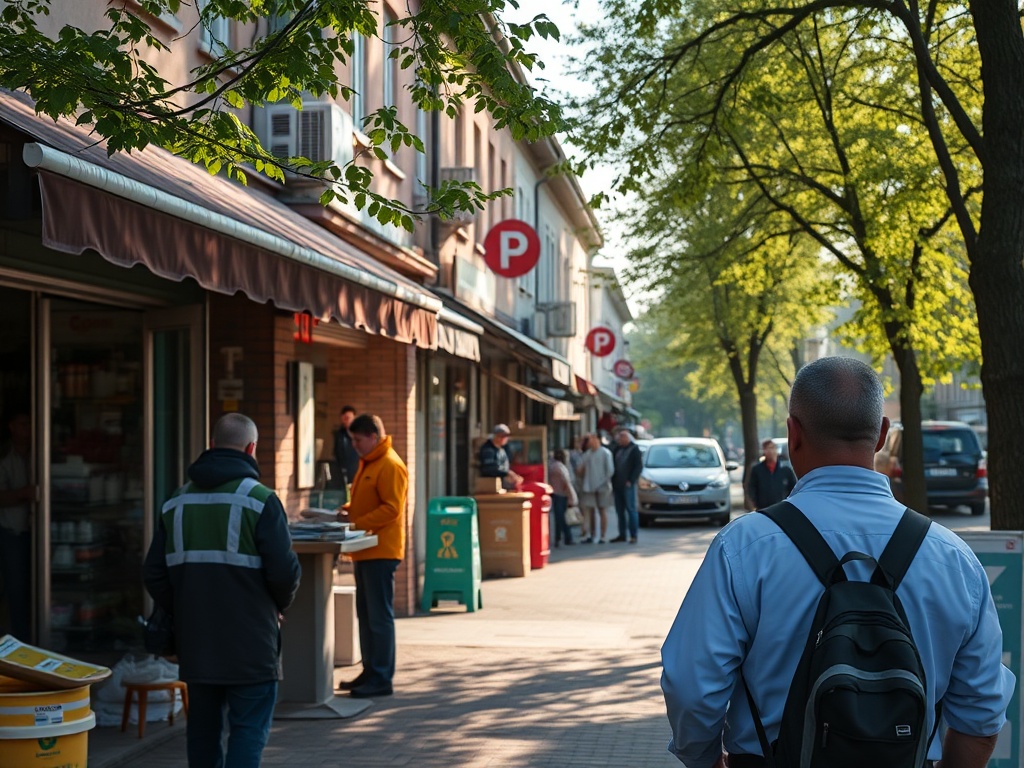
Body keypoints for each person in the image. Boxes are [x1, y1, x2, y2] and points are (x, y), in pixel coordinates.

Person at [661, 357, 1014, 768]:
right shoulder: (953, 558)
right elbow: (982, 714)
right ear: (882, 433)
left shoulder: (743, 547)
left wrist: (704, 761)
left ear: (793, 434)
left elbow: (691, 687)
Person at [144, 412, 301, 768]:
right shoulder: (261, 500)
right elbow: (285, 571)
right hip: (251, 642)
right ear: (252, 448)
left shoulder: (176, 502)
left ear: (212, 446)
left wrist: (184, 607)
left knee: (202, 731)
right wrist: (276, 606)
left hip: (197, 642)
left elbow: (154, 574)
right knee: (247, 731)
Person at [337, 414, 409, 698]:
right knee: (366, 615)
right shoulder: (371, 463)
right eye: (352, 439)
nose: (353, 445)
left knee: (379, 616)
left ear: (373, 437)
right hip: (366, 549)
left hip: (381, 550)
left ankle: (381, 677)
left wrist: (356, 523)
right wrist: (347, 510)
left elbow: (392, 508)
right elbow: (367, 502)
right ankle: (370, 671)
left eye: (357, 440)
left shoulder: (390, 464)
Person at [0, 409, 33, 639]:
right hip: (12, 531)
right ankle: (22, 639)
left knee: (35, 587)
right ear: (12, 426)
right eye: (23, 424)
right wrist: (24, 494)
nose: (28, 429)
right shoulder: (3, 456)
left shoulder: (41, 451)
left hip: (37, 530)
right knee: (16, 589)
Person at [577, 434, 614, 544]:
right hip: (589, 486)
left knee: (602, 510)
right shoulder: (587, 454)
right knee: (590, 510)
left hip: (603, 486)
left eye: (591, 439)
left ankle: (602, 535)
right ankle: (591, 534)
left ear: (597, 440)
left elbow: (610, 471)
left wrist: (603, 482)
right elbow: (580, 469)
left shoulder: (605, 453)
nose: (589, 441)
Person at [610, 427, 643, 544]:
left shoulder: (634, 450)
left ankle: (633, 535)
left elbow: (638, 466)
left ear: (628, 438)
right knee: (620, 511)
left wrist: (631, 480)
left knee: (631, 509)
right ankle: (622, 534)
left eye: (622, 437)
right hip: (617, 484)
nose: (620, 440)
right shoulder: (617, 449)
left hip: (628, 484)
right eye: (619, 438)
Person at [745, 437, 797, 509]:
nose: (770, 451)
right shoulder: (757, 470)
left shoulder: (785, 469)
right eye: (767, 449)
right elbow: (751, 487)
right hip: (763, 509)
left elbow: (793, 487)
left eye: (772, 448)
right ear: (764, 451)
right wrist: (754, 501)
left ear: (776, 450)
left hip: (781, 508)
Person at [547, 449, 579, 547]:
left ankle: (559, 538)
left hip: (555, 493)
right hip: (562, 494)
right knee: (563, 518)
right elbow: (566, 483)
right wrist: (571, 496)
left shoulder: (551, 466)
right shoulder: (560, 467)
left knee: (559, 518)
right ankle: (567, 537)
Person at [477, 423, 522, 490]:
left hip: (502, 484)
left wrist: (513, 477)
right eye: (502, 436)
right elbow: (489, 469)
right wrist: (507, 473)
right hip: (491, 484)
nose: (504, 438)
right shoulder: (488, 450)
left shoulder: (501, 449)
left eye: (506, 436)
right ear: (495, 436)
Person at [331, 405, 359, 500]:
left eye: (349, 418)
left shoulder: (358, 433)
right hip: (342, 470)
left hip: (357, 468)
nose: (347, 420)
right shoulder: (339, 434)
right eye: (345, 418)